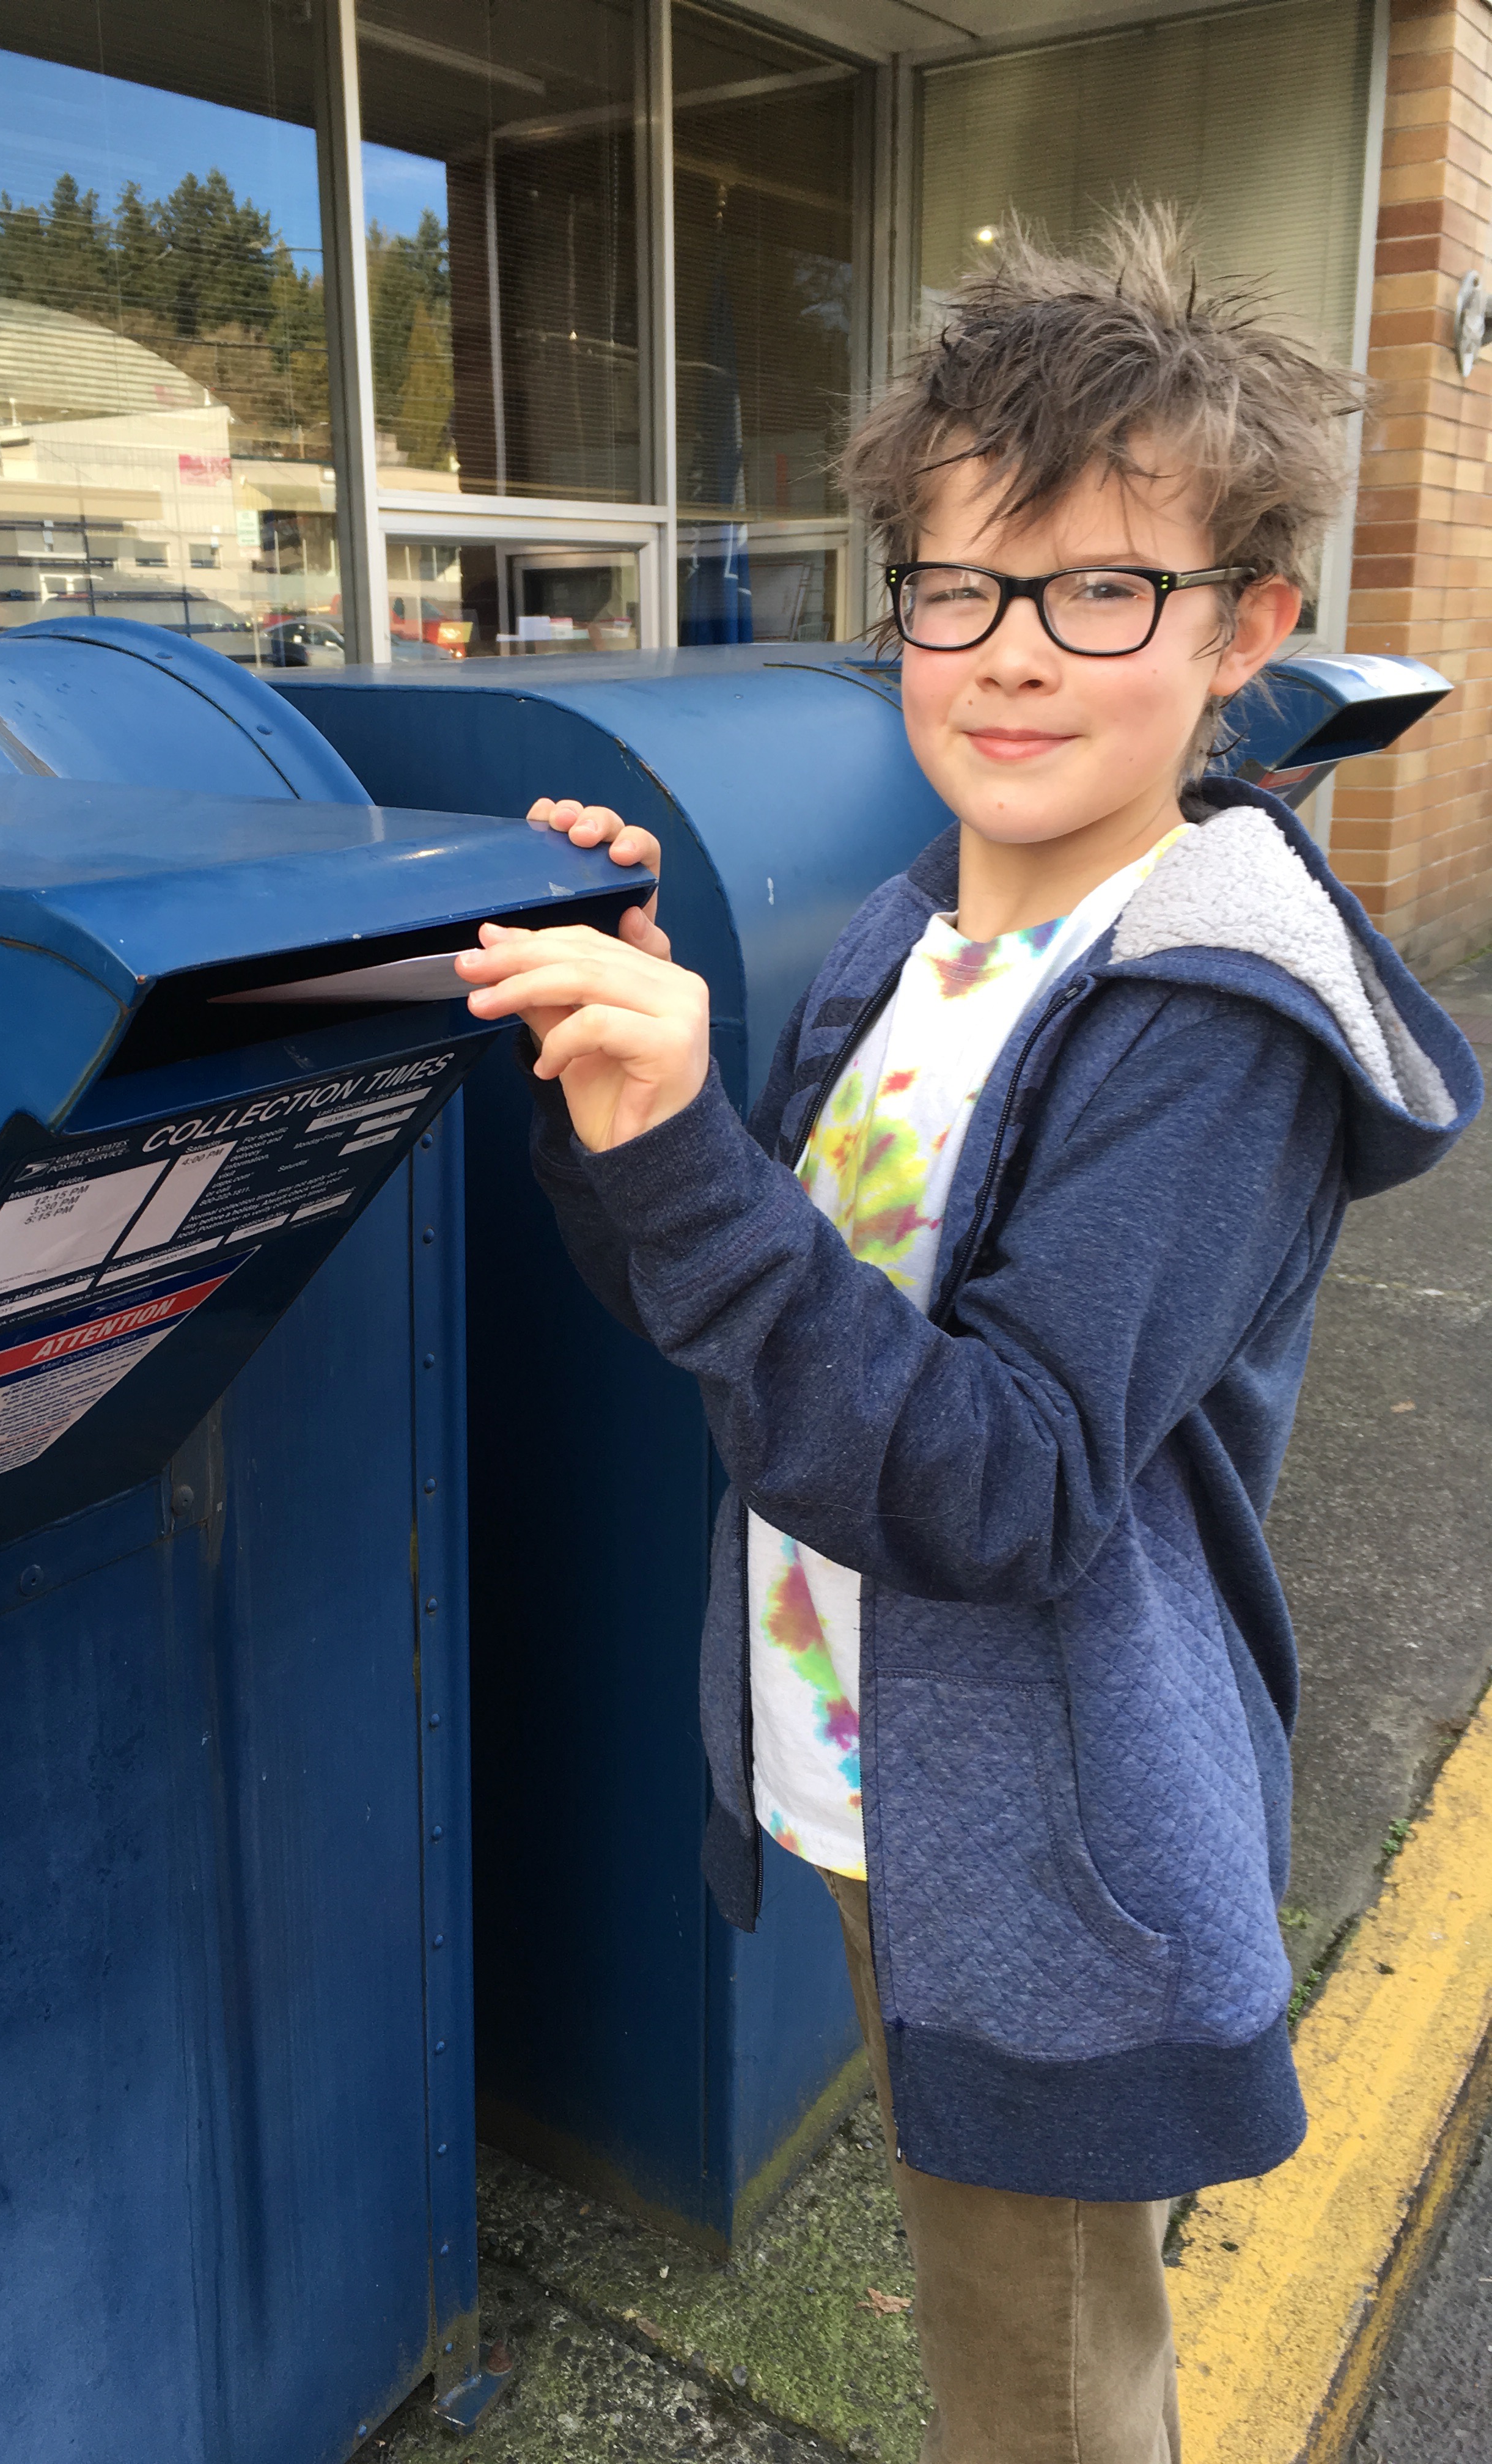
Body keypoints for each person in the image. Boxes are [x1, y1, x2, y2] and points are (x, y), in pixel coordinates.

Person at [453, 207, 1484, 2464]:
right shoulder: (914, 940)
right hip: (889, 1787)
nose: (1013, 658)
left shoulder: (1215, 1028)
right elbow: (745, 1324)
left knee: (1042, 2394)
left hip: (1057, 1850)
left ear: (1248, 634)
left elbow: (990, 1480)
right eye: (961, 587)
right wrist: (618, 1095)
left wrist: (684, 1150)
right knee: (980, 2314)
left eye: (1104, 591)